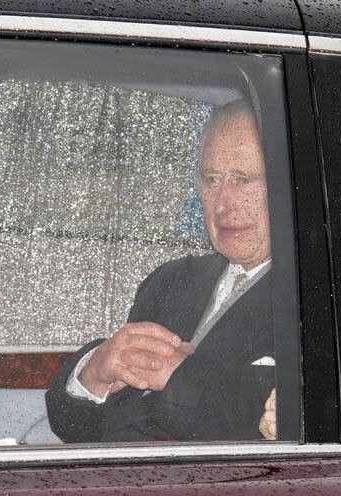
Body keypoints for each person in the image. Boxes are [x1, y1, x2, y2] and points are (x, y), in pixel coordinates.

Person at [46, 100, 277, 442]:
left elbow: (270, 426)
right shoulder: (171, 281)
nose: (223, 203)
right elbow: (75, 428)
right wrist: (94, 372)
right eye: (211, 179)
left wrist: (177, 376)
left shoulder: (321, 298)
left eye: (244, 180)